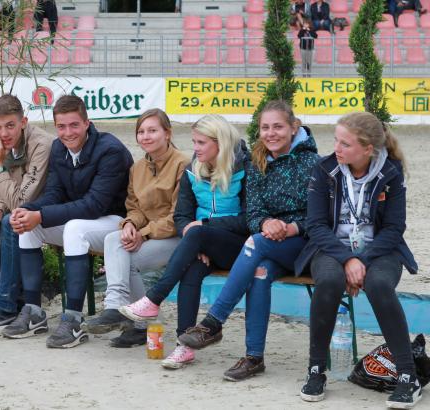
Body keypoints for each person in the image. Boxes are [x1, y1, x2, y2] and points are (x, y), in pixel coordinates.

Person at [176, 101, 319, 380]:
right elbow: (252, 212)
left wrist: (289, 227)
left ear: (294, 127)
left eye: (278, 126)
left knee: (256, 243)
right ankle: (254, 358)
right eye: (265, 127)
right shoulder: (257, 161)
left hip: (303, 245)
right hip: (269, 240)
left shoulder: (314, 164)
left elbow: (319, 218)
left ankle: (213, 321)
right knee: (260, 272)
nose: (270, 133)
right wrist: (266, 222)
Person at [296, 112, 420, 408]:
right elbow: (315, 225)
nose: (336, 148)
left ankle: (407, 375)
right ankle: (316, 370)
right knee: (328, 279)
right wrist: (347, 259)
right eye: (336, 140)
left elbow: (394, 228)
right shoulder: (323, 169)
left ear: (368, 150)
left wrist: (362, 259)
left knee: (378, 284)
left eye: (345, 144)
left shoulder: (390, 172)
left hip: (379, 250)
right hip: (330, 248)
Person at [119, 114, 250, 369]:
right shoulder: (193, 170)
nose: (195, 149)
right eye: (194, 142)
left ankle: (154, 298)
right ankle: (185, 345)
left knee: (196, 232)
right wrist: (198, 238)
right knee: (191, 270)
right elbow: (181, 216)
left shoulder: (244, 170)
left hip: (237, 245)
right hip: (204, 243)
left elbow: (248, 220)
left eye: (201, 143)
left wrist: (204, 229)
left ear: (220, 143)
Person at [2, 95, 133, 349]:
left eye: (74, 125)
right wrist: (27, 210)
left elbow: (95, 204)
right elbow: (54, 194)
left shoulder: (110, 150)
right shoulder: (59, 149)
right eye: (61, 126)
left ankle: (73, 319)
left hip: (116, 221)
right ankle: (34, 313)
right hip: (83, 220)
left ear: (87, 123)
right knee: (30, 228)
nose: (67, 132)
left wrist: (41, 215)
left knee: (72, 228)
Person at [82, 109, 189, 348]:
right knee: (114, 240)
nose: (145, 136)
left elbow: (178, 216)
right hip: (148, 234)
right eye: (141, 131)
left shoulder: (183, 163)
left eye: (152, 130)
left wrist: (144, 233)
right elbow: (134, 207)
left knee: (126, 260)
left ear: (167, 133)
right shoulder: (137, 168)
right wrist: (130, 225)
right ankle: (116, 307)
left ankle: (144, 325)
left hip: (178, 236)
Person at [0, 94, 54, 334]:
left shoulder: (41, 145)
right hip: (22, 212)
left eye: (10, 125)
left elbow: (22, 200)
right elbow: (5, 192)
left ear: (23, 122)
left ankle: (4, 308)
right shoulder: (7, 145)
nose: (3, 133)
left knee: (10, 223)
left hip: (48, 213)